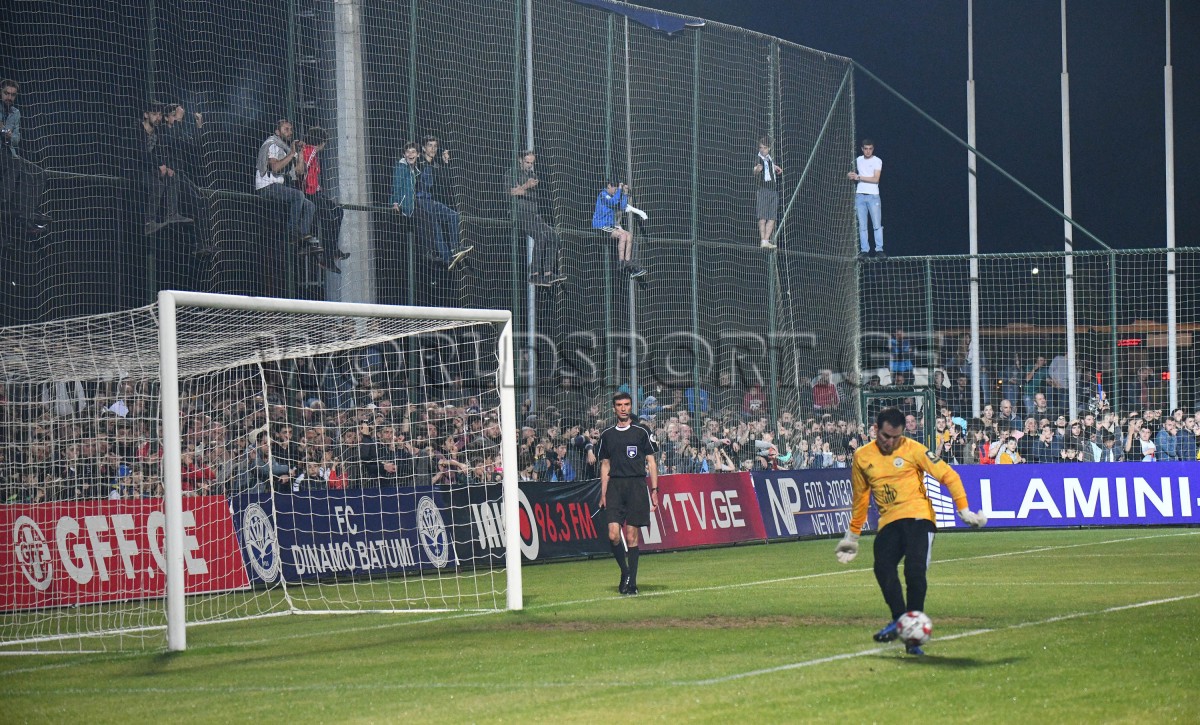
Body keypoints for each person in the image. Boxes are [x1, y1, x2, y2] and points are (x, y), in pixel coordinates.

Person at [834, 406, 987, 656]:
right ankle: (900, 620)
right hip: (889, 521)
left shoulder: (914, 449)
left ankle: (912, 637)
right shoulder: (862, 456)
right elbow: (861, 498)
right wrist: (852, 536)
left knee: (914, 571)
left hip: (919, 517)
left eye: (896, 437)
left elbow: (949, 476)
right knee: (882, 566)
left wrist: (963, 509)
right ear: (875, 429)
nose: (891, 442)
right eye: (886, 436)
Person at [596, 391, 659, 596]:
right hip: (615, 487)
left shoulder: (642, 431)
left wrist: (654, 490)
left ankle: (632, 583)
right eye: (619, 405)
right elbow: (605, 464)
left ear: (631, 406)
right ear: (614, 408)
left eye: (627, 404)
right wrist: (603, 493)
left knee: (632, 537)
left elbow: (651, 462)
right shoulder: (607, 434)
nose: (623, 408)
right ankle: (626, 572)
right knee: (613, 534)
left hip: (636, 486)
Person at [254, 119, 320, 255]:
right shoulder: (272, 144)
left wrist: (300, 153)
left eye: (291, 129)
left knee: (310, 206)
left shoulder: (286, 148)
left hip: (278, 187)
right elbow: (275, 168)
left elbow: (299, 171)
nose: (290, 132)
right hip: (267, 186)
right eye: (286, 129)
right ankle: (292, 232)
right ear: (277, 132)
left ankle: (302, 239)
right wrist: (291, 154)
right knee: (298, 195)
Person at [0, 79, 50, 237]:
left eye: (13, 95)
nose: (9, 97)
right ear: (0, 93)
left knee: (38, 172)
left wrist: (7, 134)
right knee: (15, 164)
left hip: (10, 152)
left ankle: (27, 214)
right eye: (6, 93)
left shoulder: (15, 113)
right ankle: (4, 202)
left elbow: (16, 139)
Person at [297, 125, 350, 273]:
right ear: (320, 142)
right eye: (324, 142)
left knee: (338, 211)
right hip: (309, 193)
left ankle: (333, 251)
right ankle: (327, 257)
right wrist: (305, 189)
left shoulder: (313, 153)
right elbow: (301, 173)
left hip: (316, 191)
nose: (325, 146)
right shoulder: (309, 151)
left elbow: (312, 175)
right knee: (328, 219)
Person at [509, 150, 565, 285]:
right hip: (520, 214)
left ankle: (548, 273)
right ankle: (534, 274)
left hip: (534, 214)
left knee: (553, 236)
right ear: (520, 160)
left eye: (531, 163)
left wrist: (524, 190)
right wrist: (526, 186)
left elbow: (533, 196)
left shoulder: (533, 176)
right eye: (527, 162)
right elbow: (512, 192)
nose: (529, 165)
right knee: (540, 236)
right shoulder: (512, 174)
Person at [417, 135, 472, 269]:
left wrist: (446, 162)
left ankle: (454, 249)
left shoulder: (435, 165)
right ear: (423, 148)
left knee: (453, 215)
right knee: (436, 229)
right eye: (430, 145)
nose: (433, 149)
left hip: (430, 201)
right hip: (419, 201)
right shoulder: (418, 163)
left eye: (435, 146)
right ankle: (447, 257)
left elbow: (445, 181)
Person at [138, 103, 191, 235]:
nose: (158, 117)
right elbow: (140, 152)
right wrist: (160, 164)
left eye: (160, 114)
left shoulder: (157, 131)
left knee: (172, 178)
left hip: (149, 167)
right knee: (158, 186)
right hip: (134, 169)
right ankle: (148, 223)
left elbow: (177, 143)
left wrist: (165, 167)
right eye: (154, 114)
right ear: (146, 115)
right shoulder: (137, 129)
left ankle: (172, 215)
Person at [591, 178, 648, 279]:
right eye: (615, 189)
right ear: (609, 186)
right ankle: (621, 262)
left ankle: (628, 262)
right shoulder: (603, 195)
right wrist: (620, 189)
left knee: (629, 235)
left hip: (610, 226)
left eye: (617, 190)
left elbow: (622, 206)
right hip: (601, 225)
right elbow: (613, 202)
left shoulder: (613, 196)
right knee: (622, 236)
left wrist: (625, 193)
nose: (616, 191)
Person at [848, 138, 883, 257]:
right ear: (862, 149)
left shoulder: (877, 161)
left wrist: (859, 177)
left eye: (870, 149)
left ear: (873, 149)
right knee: (862, 226)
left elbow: (875, 179)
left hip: (873, 196)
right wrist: (850, 175)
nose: (868, 151)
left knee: (877, 225)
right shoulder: (857, 160)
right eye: (866, 149)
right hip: (860, 196)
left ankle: (879, 249)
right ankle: (864, 250)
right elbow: (851, 174)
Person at [754, 135, 783, 249]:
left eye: (765, 148)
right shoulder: (758, 158)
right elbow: (756, 169)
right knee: (762, 216)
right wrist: (757, 170)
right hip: (763, 190)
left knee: (772, 217)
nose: (762, 150)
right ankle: (763, 239)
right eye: (761, 147)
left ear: (769, 148)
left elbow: (769, 165)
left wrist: (775, 167)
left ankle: (766, 240)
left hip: (773, 190)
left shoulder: (769, 159)